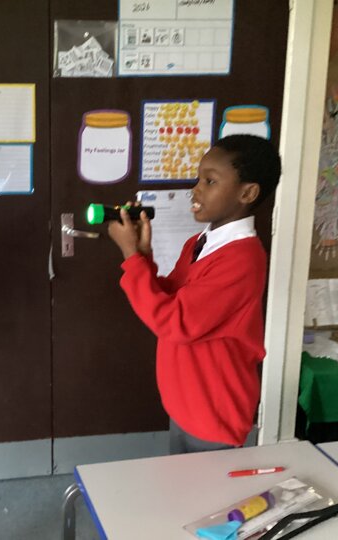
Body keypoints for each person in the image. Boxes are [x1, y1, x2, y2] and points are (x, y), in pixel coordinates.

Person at [108, 134, 281, 454]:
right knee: (180, 483)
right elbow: (173, 297)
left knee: (206, 487)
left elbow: (174, 322)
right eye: (198, 179)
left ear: (247, 193)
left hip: (214, 411)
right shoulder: (199, 243)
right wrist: (143, 256)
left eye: (210, 181)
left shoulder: (242, 259)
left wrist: (131, 258)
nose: (196, 190)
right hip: (186, 403)